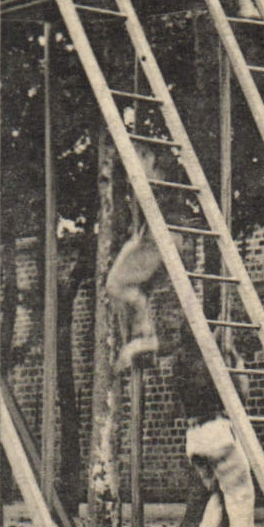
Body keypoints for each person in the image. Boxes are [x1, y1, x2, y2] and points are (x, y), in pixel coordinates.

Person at [166, 331, 261, 527]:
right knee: (242, 493)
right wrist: (235, 358)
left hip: (193, 438)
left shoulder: (181, 363)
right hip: (218, 432)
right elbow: (242, 394)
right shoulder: (215, 365)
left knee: (222, 492)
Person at [107, 143, 165, 371]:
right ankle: (141, 338)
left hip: (154, 239)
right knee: (118, 287)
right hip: (154, 237)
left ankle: (141, 337)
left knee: (115, 285)